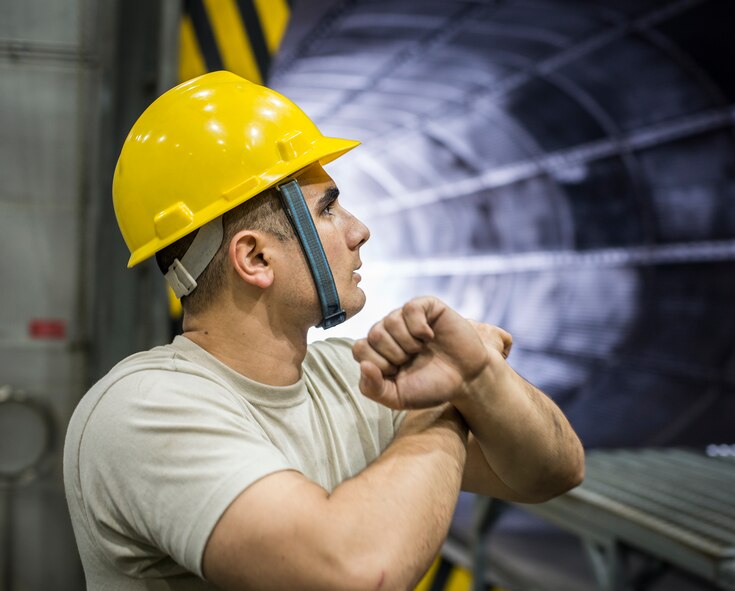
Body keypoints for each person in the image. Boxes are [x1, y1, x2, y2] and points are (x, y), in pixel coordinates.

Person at [64, 71, 584, 590]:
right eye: (329, 208)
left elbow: (552, 472)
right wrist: (437, 410)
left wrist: (479, 377)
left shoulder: (348, 374)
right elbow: (347, 574)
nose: (359, 230)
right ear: (255, 257)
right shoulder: (144, 408)